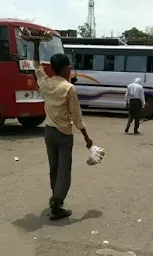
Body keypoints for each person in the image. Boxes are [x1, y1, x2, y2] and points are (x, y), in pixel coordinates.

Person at [21, 28, 93, 220]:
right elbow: (77, 117)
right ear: (63, 69)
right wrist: (87, 137)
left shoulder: (45, 82)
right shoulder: (69, 88)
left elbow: (36, 65)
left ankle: (55, 197)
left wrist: (35, 45)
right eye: (68, 67)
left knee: (54, 167)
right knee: (64, 170)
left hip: (49, 132)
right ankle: (57, 202)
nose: (69, 69)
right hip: (63, 134)